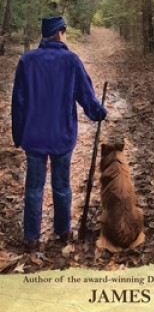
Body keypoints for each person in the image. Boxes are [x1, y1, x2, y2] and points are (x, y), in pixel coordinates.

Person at [11, 16, 107, 252]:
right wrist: (98, 112)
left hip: (33, 136)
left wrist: (18, 134)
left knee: (34, 187)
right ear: (60, 33)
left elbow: (18, 103)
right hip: (62, 135)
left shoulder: (27, 60)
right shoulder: (71, 61)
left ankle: (31, 237)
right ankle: (63, 231)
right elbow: (85, 94)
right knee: (61, 185)